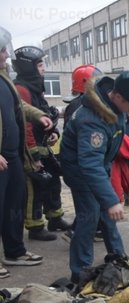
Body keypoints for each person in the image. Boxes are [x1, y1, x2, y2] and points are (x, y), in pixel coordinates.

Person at [60, 70, 129, 283]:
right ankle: (80, 271)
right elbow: (89, 164)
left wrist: (128, 118)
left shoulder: (112, 105)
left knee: (109, 216)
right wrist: (110, 201)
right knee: (89, 218)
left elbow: (115, 130)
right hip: (82, 173)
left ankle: (117, 256)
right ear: (118, 96)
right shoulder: (91, 120)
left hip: (100, 167)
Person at [0, 26, 52, 277]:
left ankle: (15, 252)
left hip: (13, 156)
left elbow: (18, 106)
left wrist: (39, 115)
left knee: (14, 205)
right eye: (1, 50)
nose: (5, 55)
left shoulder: (3, 78)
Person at [12, 46, 71, 241]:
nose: (44, 68)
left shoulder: (36, 86)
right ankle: (35, 227)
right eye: (40, 64)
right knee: (35, 187)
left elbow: (42, 113)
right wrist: (34, 155)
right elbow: (26, 124)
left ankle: (55, 218)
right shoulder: (21, 89)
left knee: (53, 182)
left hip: (43, 144)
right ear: (29, 67)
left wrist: (53, 131)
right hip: (31, 148)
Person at [62, 65, 105, 243]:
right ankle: (77, 233)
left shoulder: (75, 104)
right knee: (88, 205)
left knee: (88, 203)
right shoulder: (82, 105)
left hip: (78, 163)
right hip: (82, 165)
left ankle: (89, 230)